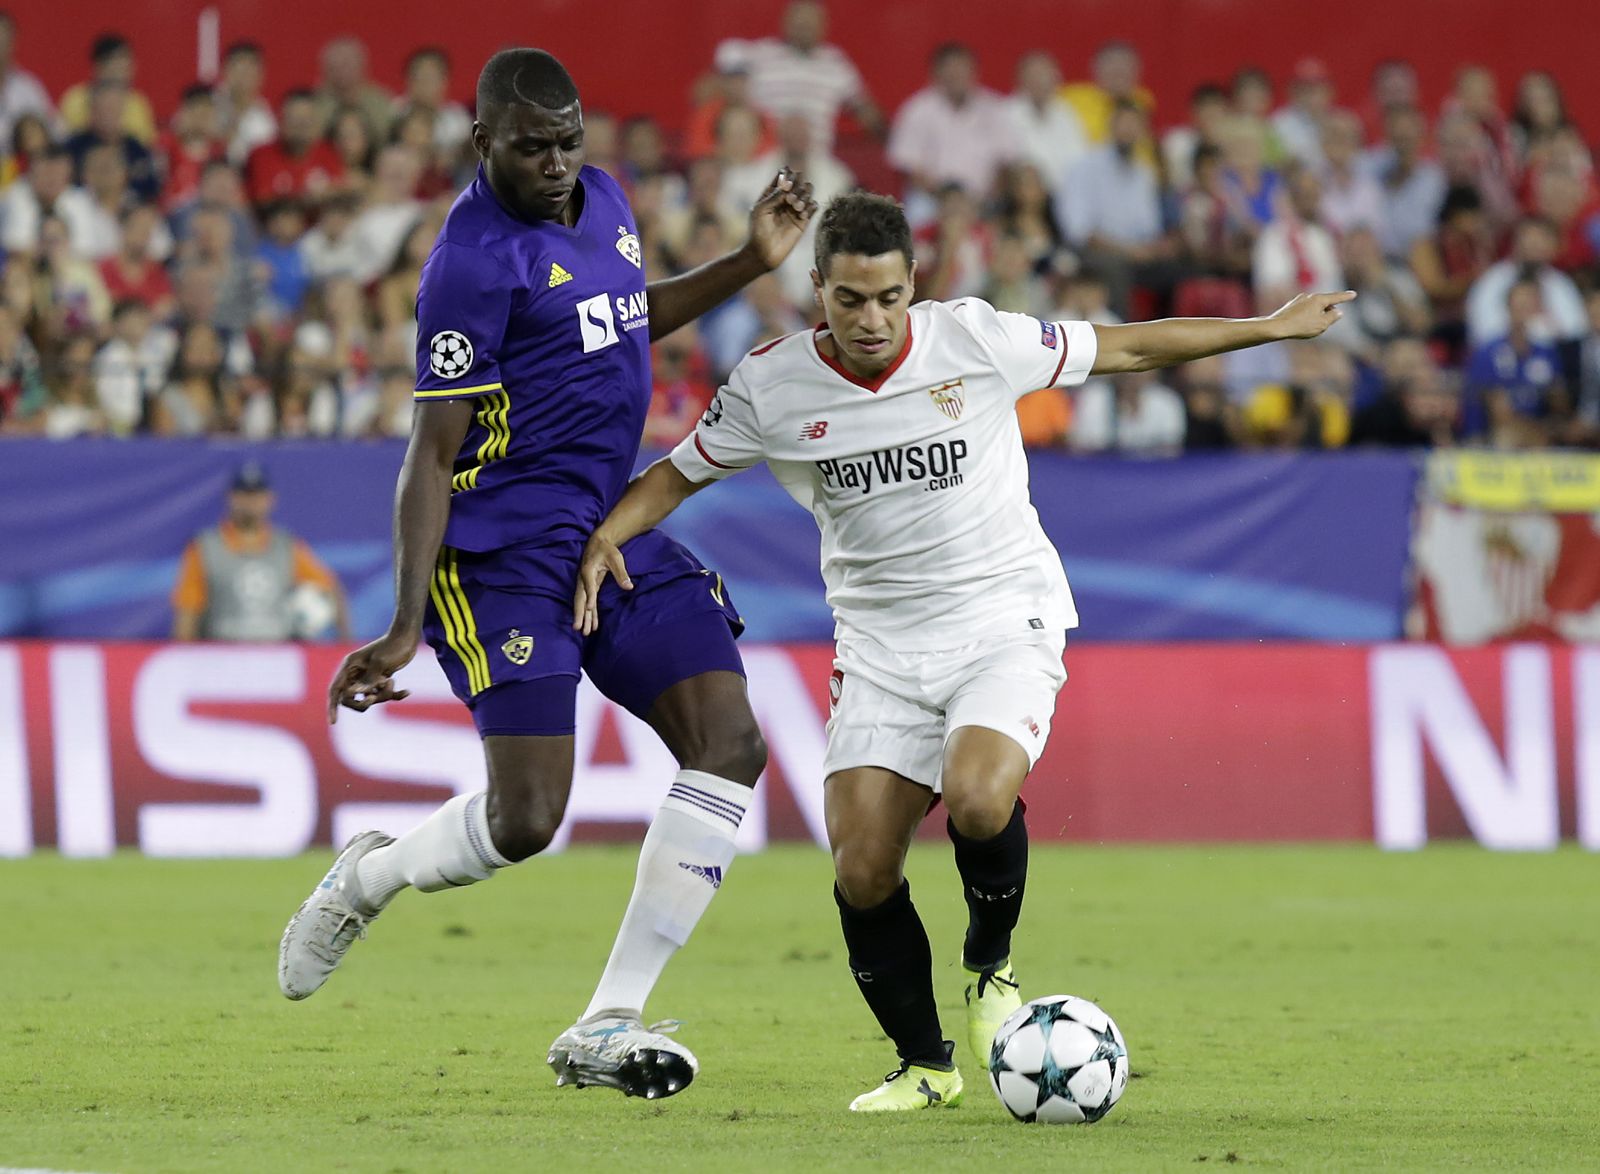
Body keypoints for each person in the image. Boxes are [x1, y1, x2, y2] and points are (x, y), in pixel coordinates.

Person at [572, 191, 1353, 1111]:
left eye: (890, 298)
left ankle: (992, 966)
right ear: (817, 287)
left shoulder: (976, 341)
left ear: (915, 287)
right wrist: (603, 536)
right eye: (851, 299)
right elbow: (674, 475)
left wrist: (1267, 328)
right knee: (862, 868)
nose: (873, 319)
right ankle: (927, 1067)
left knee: (980, 796)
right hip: (878, 648)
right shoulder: (770, 386)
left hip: (1000, 618)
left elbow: (1132, 344)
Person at [277, 48, 817, 1101]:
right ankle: (369, 875)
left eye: (570, 142)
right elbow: (429, 454)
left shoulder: (603, 197)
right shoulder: (468, 265)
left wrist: (750, 262)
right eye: (533, 147)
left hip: (607, 532)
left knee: (731, 742)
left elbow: (626, 312)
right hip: (500, 555)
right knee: (526, 820)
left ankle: (607, 1018)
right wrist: (397, 629)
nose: (559, 164)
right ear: (483, 143)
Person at [172, 461, 350, 640]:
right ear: (230, 497)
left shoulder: (286, 547)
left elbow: (330, 588)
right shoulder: (205, 548)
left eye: (257, 494)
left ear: (270, 499)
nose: (251, 502)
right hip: (223, 655)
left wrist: (347, 649)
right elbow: (188, 611)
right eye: (244, 494)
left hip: (276, 654)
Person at [712, 0, 882, 156]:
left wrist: (885, 133)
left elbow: (864, 109)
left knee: (842, 184)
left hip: (815, 161)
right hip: (766, 158)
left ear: (823, 26)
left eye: (810, 23)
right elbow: (713, 83)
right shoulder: (761, 54)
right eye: (799, 22)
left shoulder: (835, 64)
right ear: (785, 22)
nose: (804, 27)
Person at [58, 33, 156, 144]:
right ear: (98, 65)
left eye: (128, 62)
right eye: (117, 62)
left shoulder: (138, 103)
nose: (125, 68)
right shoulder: (76, 99)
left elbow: (147, 143)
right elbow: (65, 138)